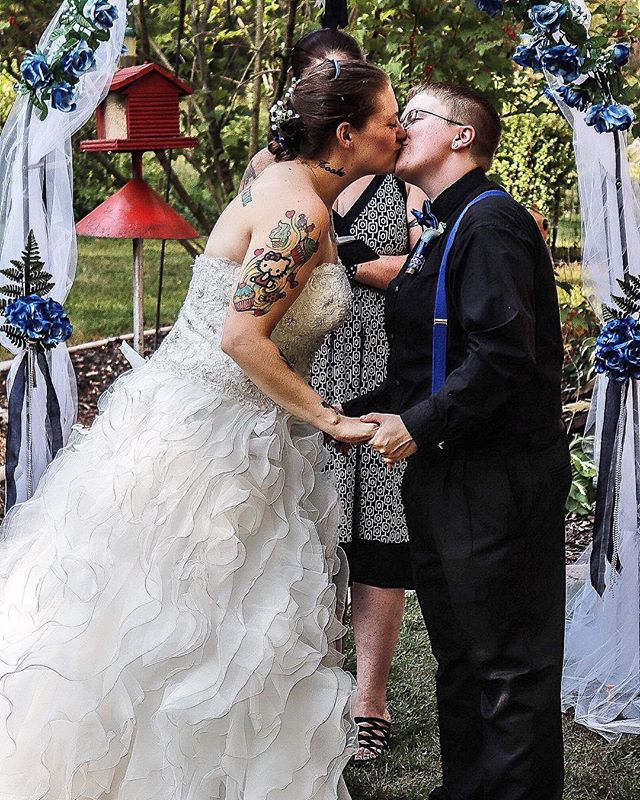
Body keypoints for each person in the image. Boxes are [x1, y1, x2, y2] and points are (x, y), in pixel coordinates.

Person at [0, 60, 405, 800]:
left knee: (218, 619)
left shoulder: (281, 178)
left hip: (210, 417)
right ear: (346, 135)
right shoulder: (301, 214)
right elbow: (242, 338)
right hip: (214, 439)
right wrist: (329, 418)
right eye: (389, 119)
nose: (402, 130)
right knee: (183, 618)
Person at [344, 82, 570, 800]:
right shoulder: (437, 227)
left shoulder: (491, 223)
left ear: (462, 136)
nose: (397, 128)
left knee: (508, 669)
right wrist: (344, 416)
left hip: (498, 477)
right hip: (445, 475)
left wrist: (417, 426)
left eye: (412, 118)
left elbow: (504, 356)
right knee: (462, 661)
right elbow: (425, 363)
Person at [242, 28, 425, 761]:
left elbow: (428, 259)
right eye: (323, 75)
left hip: (383, 366)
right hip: (301, 373)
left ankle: (369, 699)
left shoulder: (398, 165)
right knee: (302, 537)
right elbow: (252, 278)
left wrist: (380, 265)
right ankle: (306, 684)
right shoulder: (273, 173)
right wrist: (364, 262)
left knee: (381, 539)